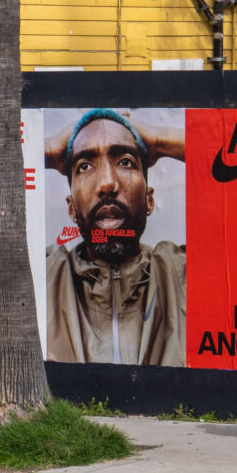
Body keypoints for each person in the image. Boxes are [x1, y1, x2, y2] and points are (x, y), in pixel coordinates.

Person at [40, 109, 188, 366]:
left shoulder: (181, 274)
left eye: (126, 161)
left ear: (149, 200)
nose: (107, 183)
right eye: (84, 166)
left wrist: (160, 140)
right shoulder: (45, 276)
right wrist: (50, 149)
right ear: (72, 208)